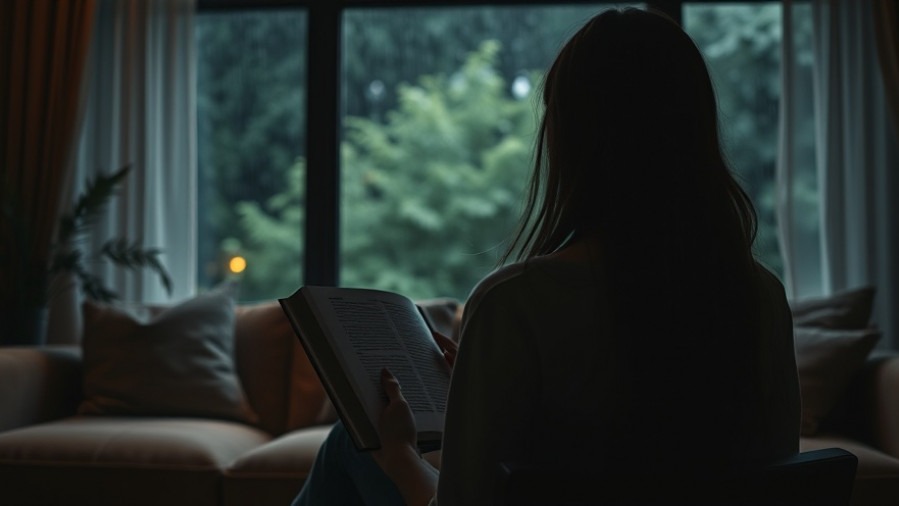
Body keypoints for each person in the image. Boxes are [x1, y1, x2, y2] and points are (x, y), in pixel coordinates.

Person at [292, 6, 800, 506]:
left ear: (570, 136)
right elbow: (779, 478)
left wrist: (400, 455)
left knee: (350, 445)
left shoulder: (515, 302)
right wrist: (487, 383)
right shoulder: (760, 295)